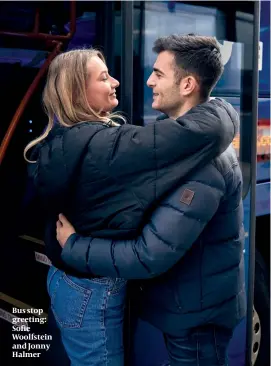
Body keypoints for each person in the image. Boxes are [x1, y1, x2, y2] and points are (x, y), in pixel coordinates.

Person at [25, 37, 238, 366]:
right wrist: (224, 109)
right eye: (103, 76)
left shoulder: (72, 139)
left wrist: (73, 245)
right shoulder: (105, 146)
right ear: (76, 92)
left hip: (95, 283)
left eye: (158, 74)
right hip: (90, 285)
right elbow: (150, 251)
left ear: (187, 84)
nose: (144, 81)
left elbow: (150, 250)